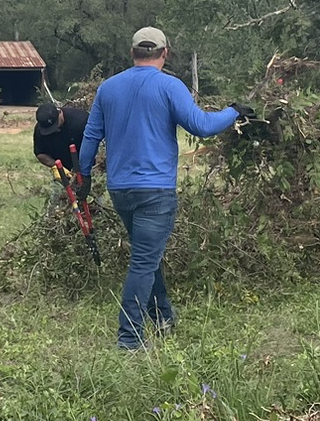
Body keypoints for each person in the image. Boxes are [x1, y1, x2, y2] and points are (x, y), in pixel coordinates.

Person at [74, 27, 239, 351]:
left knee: (146, 256)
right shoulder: (169, 86)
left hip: (121, 190)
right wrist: (234, 111)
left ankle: (163, 317)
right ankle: (129, 339)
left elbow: (90, 137)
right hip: (155, 192)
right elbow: (203, 126)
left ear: (133, 53)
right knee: (144, 262)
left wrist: (84, 179)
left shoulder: (109, 88)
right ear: (165, 53)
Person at [33, 99, 89, 198]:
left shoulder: (81, 121)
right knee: (59, 205)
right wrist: (56, 167)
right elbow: (40, 153)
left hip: (86, 171)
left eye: (55, 126)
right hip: (62, 174)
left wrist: (86, 170)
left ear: (60, 113)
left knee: (92, 202)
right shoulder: (41, 129)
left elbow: (98, 147)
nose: (55, 131)